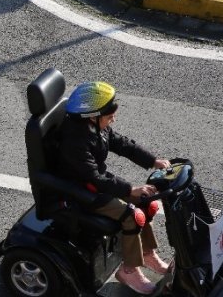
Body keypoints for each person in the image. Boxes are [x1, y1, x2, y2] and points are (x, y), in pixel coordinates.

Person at [56, 81, 171, 295]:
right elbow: (96, 178)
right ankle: (128, 270)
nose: (113, 120)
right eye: (109, 117)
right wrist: (130, 190)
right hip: (83, 194)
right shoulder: (75, 142)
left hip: (95, 185)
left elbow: (122, 144)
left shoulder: (94, 126)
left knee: (147, 202)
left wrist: (153, 160)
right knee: (132, 216)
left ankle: (146, 254)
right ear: (92, 116)